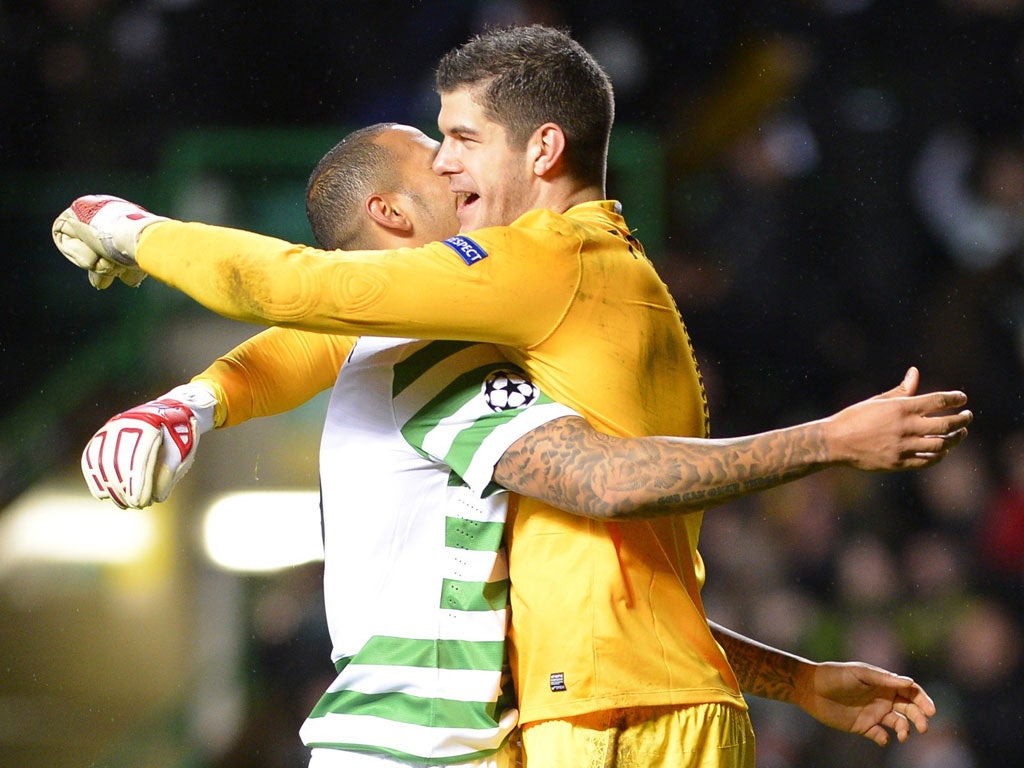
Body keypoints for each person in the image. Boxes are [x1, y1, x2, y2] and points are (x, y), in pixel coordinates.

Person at [54, 26, 969, 768]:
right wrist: (197, 399)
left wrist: (133, 234)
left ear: (542, 147)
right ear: (392, 219)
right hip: (487, 737)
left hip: (581, 726)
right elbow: (331, 320)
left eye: (461, 140)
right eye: (438, 148)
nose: (451, 167)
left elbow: (311, 296)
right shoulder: (558, 300)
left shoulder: (527, 281)